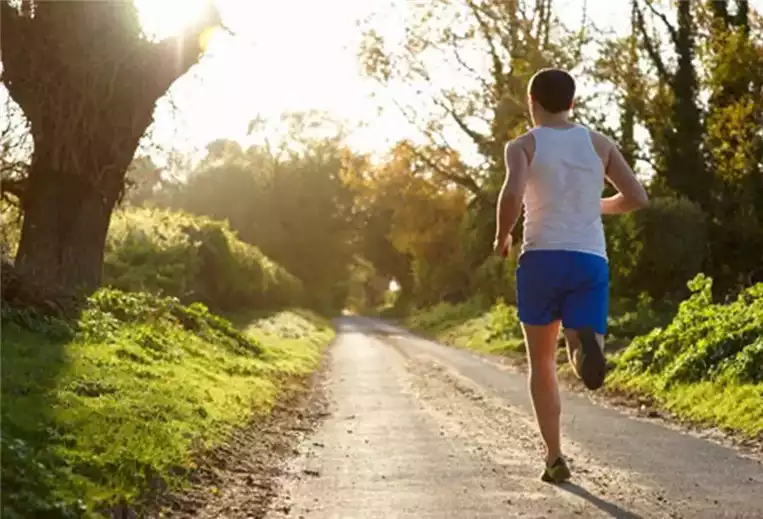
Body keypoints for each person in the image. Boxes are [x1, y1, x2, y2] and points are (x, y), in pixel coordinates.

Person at [493, 68, 649, 484]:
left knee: (542, 362)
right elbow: (636, 197)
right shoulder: (599, 143)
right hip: (588, 259)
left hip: (542, 259)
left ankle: (555, 457)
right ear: (573, 103)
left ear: (533, 102)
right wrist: (594, 206)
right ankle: (585, 352)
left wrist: (503, 234)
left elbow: (512, 193)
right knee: (580, 344)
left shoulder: (523, 145)